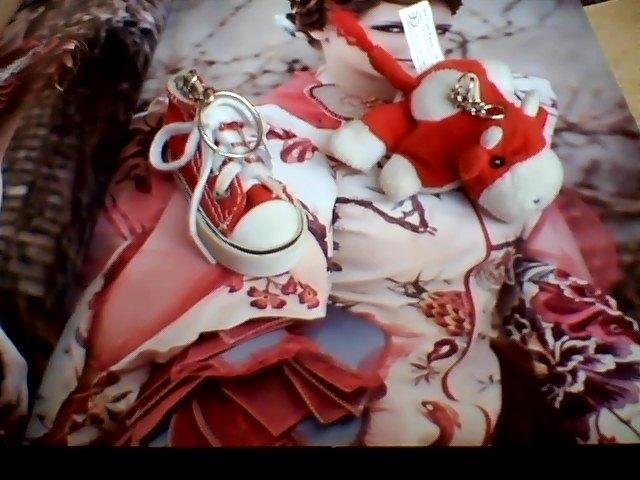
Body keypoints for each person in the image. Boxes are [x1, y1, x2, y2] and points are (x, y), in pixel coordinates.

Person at [24, 0, 640, 446]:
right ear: (320, 25)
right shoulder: (254, 136)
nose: (420, 47)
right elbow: (164, 282)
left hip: (473, 402)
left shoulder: (489, 115)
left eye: (439, 29)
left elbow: (550, 283)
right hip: (312, 408)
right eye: (394, 26)